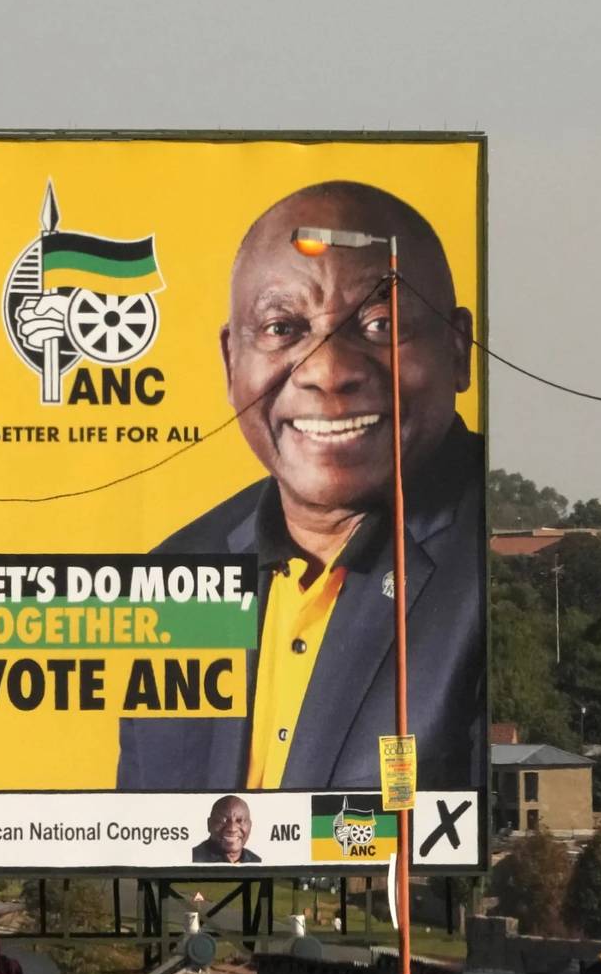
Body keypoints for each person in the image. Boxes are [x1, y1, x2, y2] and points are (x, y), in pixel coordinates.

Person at [117, 180, 485, 795]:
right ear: (231, 361)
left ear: (457, 348)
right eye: (283, 328)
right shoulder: (176, 580)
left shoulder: (488, 564)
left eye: (380, 322)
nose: (328, 371)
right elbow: (146, 835)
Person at [191, 795, 262, 863]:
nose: (232, 829)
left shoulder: (257, 861)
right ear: (209, 824)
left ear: (250, 826)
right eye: (223, 821)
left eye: (239, 820)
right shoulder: (192, 859)